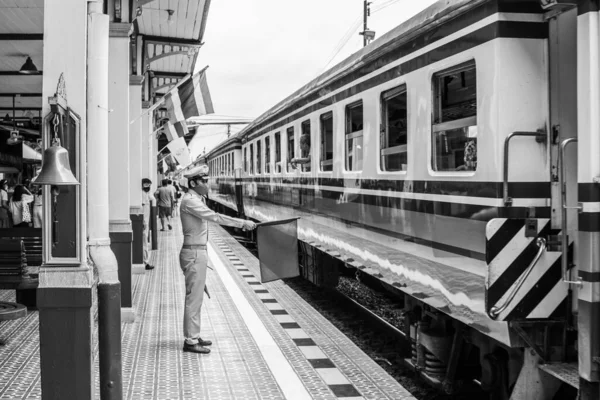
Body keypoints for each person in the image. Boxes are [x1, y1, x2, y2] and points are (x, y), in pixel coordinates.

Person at [178, 164, 256, 354]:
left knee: (196, 297)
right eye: (203, 181)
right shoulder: (190, 201)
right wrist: (242, 223)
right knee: (194, 299)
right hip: (194, 253)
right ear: (194, 182)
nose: (207, 184)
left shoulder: (196, 198)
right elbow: (215, 217)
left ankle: (193, 334)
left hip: (197, 252)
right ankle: (190, 340)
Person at [142, 178, 155, 270]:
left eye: (149, 185)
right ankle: (145, 262)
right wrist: (143, 222)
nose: (148, 187)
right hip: (144, 223)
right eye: (146, 185)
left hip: (145, 222)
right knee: (144, 243)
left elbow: (152, 198)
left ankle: (145, 261)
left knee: (145, 242)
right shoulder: (142, 194)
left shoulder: (146, 193)